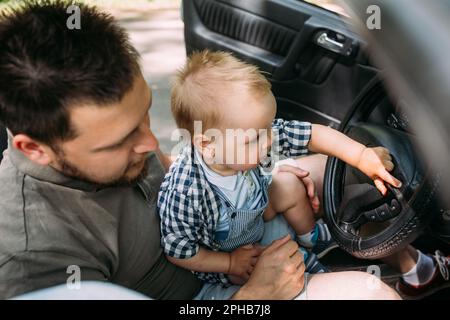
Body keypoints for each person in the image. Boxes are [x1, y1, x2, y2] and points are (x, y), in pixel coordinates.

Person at [0, 0, 400, 300]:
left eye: (143, 116)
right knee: (370, 293)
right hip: (213, 294)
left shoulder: (133, 151)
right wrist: (255, 298)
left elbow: (181, 173)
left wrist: (271, 177)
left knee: (341, 171)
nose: (151, 143)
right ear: (34, 148)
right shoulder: (36, 260)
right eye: (120, 141)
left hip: (229, 232)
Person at [157, 50, 402, 288]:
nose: (269, 140)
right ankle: (312, 271)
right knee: (281, 266)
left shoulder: (247, 141)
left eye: (268, 128)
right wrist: (229, 263)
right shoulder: (186, 193)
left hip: (255, 219)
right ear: (207, 145)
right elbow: (180, 251)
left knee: (287, 185)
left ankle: (312, 239)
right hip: (231, 257)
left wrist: (360, 155)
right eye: (254, 138)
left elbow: (311, 134)